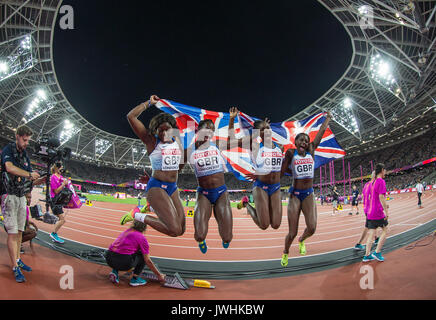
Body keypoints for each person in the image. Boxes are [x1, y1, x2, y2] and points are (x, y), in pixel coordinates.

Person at [120, 95, 186, 237]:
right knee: (174, 230)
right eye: (159, 130)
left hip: (173, 187)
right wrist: (149, 103)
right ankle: (137, 214)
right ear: (155, 131)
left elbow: (179, 166)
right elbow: (131, 116)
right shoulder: (151, 141)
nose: (163, 133)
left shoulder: (178, 141)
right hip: (157, 186)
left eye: (166, 129)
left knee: (181, 229)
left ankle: (152, 208)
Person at [280, 112, 332, 267]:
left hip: (308, 194)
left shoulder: (311, 151)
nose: (304, 142)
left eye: (306, 140)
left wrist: (327, 119)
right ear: (295, 142)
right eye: (301, 139)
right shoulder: (290, 153)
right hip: (295, 195)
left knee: (312, 227)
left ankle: (302, 240)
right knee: (292, 232)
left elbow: (321, 133)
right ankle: (285, 252)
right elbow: (283, 171)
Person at [229, 107, 284, 231]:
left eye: (268, 128)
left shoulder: (279, 147)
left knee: (275, 224)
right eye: (263, 129)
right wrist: (232, 119)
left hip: (275, 186)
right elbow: (231, 141)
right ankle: (246, 203)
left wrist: (265, 126)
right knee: (263, 225)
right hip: (261, 186)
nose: (267, 130)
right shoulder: (254, 145)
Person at [186, 119, 233, 253]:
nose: (209, 132)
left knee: (227, 238)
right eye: (206, 128)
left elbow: (237, 141)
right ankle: (202, 241)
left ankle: (222, 225)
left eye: (212, 130)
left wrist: (231, 120)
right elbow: (174, 169)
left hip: (221, 193)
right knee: (199, 235)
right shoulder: (189, 151)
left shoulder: (217, 145)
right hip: (204, 194)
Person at [1, 125, 40, 282]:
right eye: (24, 140)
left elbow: (31, 178)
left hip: (21, 196)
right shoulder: (8, 149)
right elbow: (9, 168)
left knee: (18, 232)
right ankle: (14, 267)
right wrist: (30, 174)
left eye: (28, 140)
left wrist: (43, 177)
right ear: (17, 136)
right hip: (8, 194)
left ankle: (17, 260)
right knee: (12, 233)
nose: (26, 143)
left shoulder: (25, 155)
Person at [105, 220, 165, 286]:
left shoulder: (127, 231)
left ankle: (114, 272)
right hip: (123, 263)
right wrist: (159, 275)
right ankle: (135, 279)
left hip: (109, 259)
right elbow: (148, 261)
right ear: (144, 228)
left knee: (121, 250)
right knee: (142, 256)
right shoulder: (142, 238)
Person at [363, 163, 389, 262]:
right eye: (385, 170)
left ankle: (366, 255)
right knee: (385, 230)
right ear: (382, 170)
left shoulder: (372, 182)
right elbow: (381, 197)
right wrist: (386, 211)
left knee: (371, 233)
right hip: (378, 211)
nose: (385, 172)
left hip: (370, 212)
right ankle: (377, 252)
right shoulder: (381, 181)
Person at [354, 171, 379, 250]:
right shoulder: (373, 184)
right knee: (368, 226)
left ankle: (376, 238)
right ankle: (359, 244)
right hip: (371, 209)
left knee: (373, 225)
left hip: (367, 208)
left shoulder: (366, 184)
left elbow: (364, 196)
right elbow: (373, 197)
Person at [49, 162, 69, 244]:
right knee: (62, 220)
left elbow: (64, 183)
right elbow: (56, 191)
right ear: (57, 168)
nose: (62, 169)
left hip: (59, 200)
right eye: (61, 167)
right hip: (55, 200)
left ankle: (54, 235)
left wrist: (66, 183)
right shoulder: (53, 177)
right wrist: (63, 184)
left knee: (60, 219)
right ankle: (53, 233)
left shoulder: (60, 177)